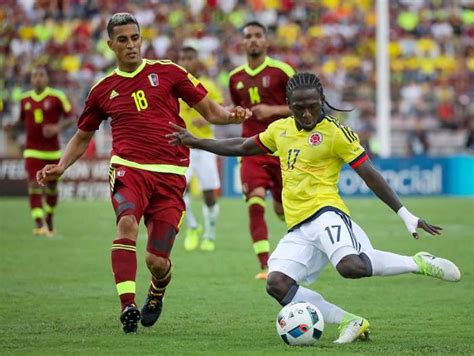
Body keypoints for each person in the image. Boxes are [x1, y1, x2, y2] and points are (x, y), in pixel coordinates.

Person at [168, 72, 461, 344]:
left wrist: (404, 213)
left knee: (351, 266)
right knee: (277, 284)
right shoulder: (280, 129)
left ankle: (418, 262)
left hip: (326, 212)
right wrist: (195, 141)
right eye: (299, 107)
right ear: (288, 105)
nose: (307, 114)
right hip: (298, 226)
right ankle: (351, 321)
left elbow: (370, 174)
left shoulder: (336, 133)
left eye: (312, 106)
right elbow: (243, 146)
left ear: (321, 101)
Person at [37, 13, 250, 334]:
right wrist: (62, 167)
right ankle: (127, 306)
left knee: (157, 261)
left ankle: (157, 289)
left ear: (141, 39)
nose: (131, 45)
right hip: (129, 168)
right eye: (122, 40)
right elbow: (82, 136)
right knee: (126, 224)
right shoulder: (102, 90)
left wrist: (232, 116)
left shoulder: (169, 72)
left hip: (170, 173)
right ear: (110, 45)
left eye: (135, 38)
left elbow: (212, 112)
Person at [228, 21, 295, 279]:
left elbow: (305, 105)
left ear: (266, 41)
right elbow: (239, 110)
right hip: (252, 148)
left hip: (282, 150)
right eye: (248, 36)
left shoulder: (282, 71)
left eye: (258, 35)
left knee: (281, 209)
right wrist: (237, 114)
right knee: (255, 200)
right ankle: (265, 266)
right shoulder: (235, 78)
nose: (253, 40)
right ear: (243, 43)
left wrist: (273, 111)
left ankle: (302, 249)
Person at [4, 66, 74, 237]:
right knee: (33, 184)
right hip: (32, 151)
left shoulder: (57, 97)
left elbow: (71, 118)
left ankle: (49, 217)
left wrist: (57, 127)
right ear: (31, 79)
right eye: (35, 75)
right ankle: (39, 224)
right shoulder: (24, 99)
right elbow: (21, 121)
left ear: (47, 78)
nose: (38, 79)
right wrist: (11, 127)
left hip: (52, 153)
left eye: (41, 75)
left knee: (51, 188)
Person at [177, 46, 223, 252]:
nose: (186, 62)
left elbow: (221, 110)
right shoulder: (174, 85)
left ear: (197, 61)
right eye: (183, 58)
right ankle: (193, 226)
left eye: (190, 58)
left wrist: (206, 119)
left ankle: (210, 235)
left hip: (205, 145)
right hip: (181, 146)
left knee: (209, 194)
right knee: (177, 190)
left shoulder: (209, 85)